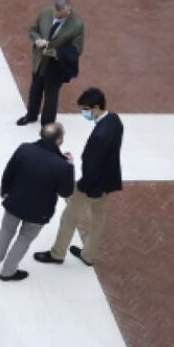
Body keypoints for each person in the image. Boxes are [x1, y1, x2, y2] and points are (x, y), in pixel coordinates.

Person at [0, 122, 75, 282]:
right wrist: (70, 166)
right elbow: (66, 192)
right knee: (24, 239)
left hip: (15, 202)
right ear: (58, 140)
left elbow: (9, 172)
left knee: (5, 232)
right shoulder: (63, 166)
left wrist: (4, 191)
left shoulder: (24, 149)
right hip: (39, 211)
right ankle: (8, 272)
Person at [36, 87, 124, 267]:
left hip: (92, 185)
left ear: (96, 107)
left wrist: (81, 187)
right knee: (98, 218)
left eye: (86, 109)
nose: (83, 112)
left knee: (69, 217)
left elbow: (92, 168)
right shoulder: (115, 120)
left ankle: (57, 254)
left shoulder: (99, 136)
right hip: (108, 181)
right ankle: (88, 255)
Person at [15, 0, 82, 127]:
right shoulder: (46, 13)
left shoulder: (77, 25)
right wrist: (37, 40)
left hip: (56, 64)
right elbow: (33, 30)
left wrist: (55, 52)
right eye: (55, 13)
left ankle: (47, 123)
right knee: (35, 89)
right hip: (40, 61)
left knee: (51, 95)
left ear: (67, 10)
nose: (56, 15)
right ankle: (31, 115)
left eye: (60, 14)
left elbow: (77, 48)